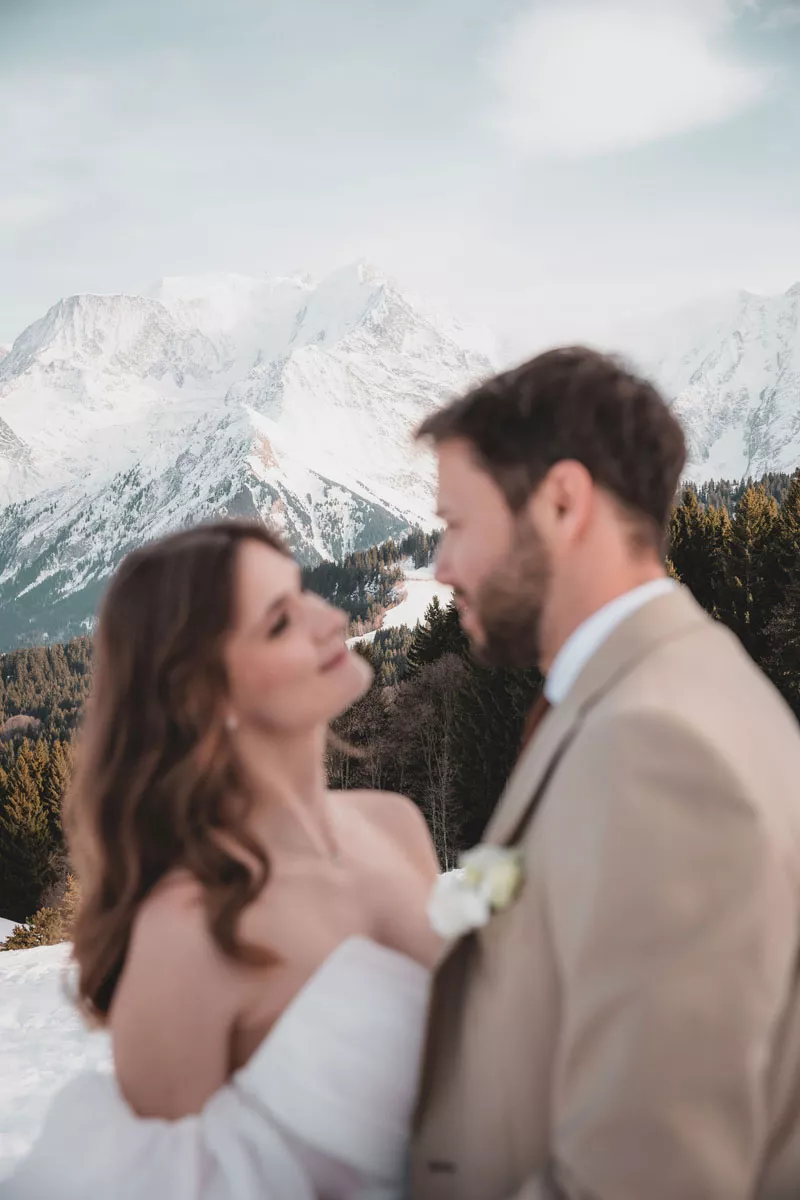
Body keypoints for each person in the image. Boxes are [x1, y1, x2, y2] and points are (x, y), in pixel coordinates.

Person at [410, 346, 800, 1200]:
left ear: (561, 501)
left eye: (457, 523)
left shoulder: (658, 744)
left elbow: (651, 1172)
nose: (440, 567)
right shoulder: (637, 697)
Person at [6, 519, 441, 1200]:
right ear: (206, 697)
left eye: (305, 593)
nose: (331, 620)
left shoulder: (396, 825)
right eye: (279, 623)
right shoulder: (189, 930)